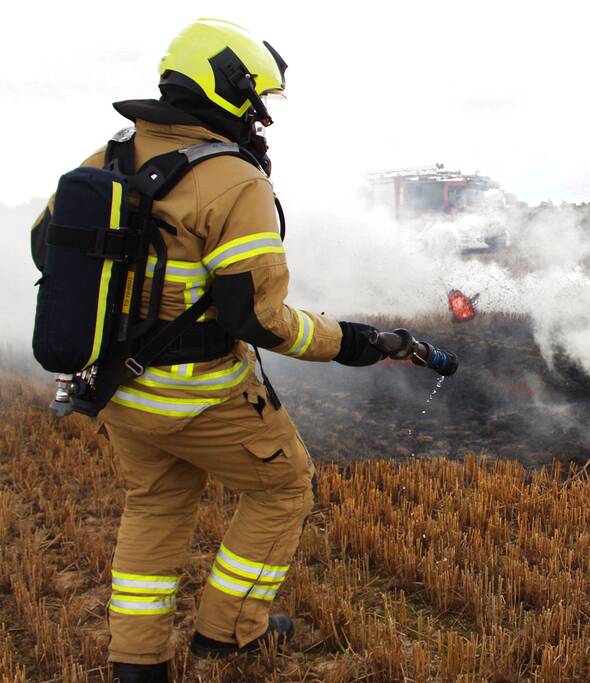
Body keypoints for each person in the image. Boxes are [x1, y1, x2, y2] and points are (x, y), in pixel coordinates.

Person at [28, 19, 396, 683]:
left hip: (119, 388)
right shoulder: (232, 179)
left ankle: (137, 662)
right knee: (284, 486)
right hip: (198, 394)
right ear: (225, 91)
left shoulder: (111, 156)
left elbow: (42, 243)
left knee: (155, 505)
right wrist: (350, 342)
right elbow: (257, 317)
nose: (261, 117)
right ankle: (230, 633)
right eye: (255, 101)